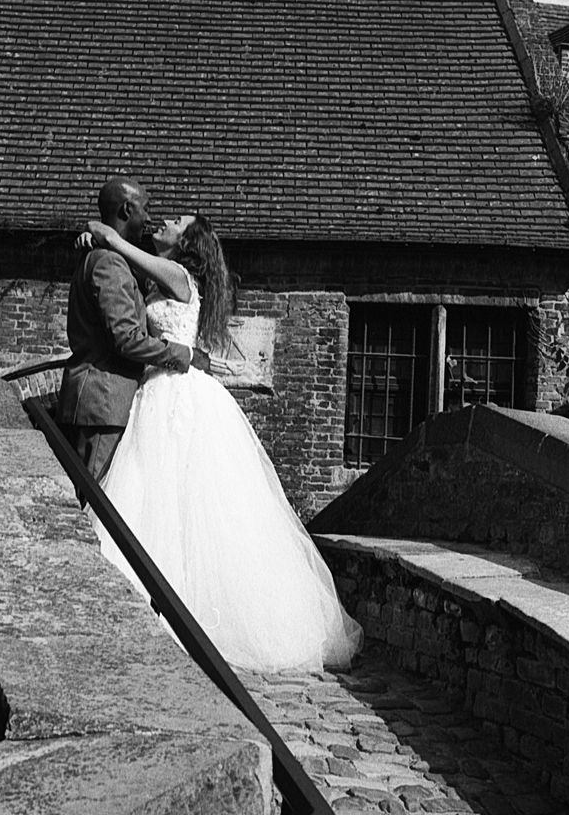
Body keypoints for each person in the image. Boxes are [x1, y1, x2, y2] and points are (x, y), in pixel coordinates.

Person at [80, 210, 363, 675]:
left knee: (184, 499)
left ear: (187, 242)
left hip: (178, 393)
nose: (164, 221)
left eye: (175, 222)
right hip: (160, 388)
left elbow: (123, 248)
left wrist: (106, 234)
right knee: (164, 500)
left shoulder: (178, 274)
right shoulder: (162, 278)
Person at [57, 175, 207, 490]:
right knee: (95, 503)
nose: (152, 218)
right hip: (102, 404)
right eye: (146, 208)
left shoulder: (127, 263)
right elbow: (125, 338)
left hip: (119, 399)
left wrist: (100, 237)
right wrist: (185, 355)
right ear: (127, 209)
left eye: (175, 221)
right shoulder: (109, 263)